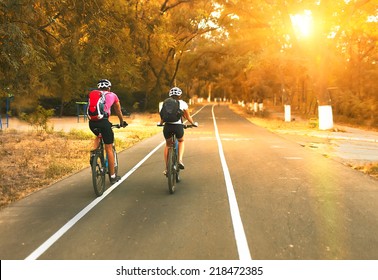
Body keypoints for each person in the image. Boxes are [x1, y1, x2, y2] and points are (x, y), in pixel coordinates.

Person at [89, 79, 128, 184]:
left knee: (98, 135)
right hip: (104, 122)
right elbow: (118, 111)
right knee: (109, 148)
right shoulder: (113, 96)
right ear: (109, 87)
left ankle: (94, 153)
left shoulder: (94, 95)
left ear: (98, 88)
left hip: (92, 123)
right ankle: (112, 176)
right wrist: (121, 122)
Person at [159, 87, 198, 175]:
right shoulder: (183, 103)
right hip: (178, 127)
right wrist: (193, 123)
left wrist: (160, 123)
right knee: (181, 140)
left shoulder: (163, 103)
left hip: (167, 127)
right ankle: (180, 160)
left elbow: (162, 117)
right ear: (180, 96)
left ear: (170, 95)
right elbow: (187, 117)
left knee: (168, 145)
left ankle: (166, 168)